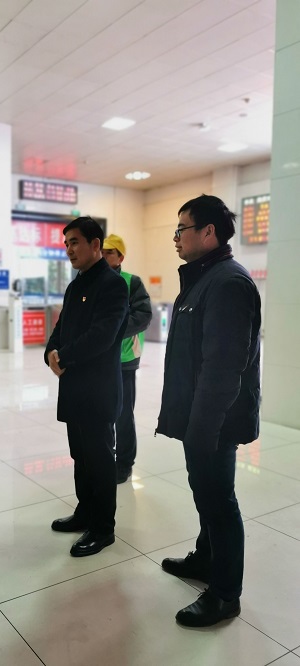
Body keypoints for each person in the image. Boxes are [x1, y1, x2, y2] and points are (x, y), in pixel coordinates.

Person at [156, 194, 261, 628]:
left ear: (208, 232)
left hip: (214, 421)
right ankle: (205, 558)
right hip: (198, 417)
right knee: (205, 493)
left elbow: (223, 367)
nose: (176, 237)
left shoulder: (228, 283)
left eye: (181, 229)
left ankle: (225, 594)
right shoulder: (203, 279)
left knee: (219, 501)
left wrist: (203, 429)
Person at [45, 216, 128, 557]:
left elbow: (102, 336)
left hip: (97, 390)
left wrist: (63, 356)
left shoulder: (112, 285)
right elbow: (61, 327)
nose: (69, 249)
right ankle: (85, 511)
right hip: (74, 387)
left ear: (95, 245)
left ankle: (103, 527)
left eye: (75, 242)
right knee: (80, 454)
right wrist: (51, 351)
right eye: (66, 244)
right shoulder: (75, 285)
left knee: (100, 458)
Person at [101, 234, 152, 483]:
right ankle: (105, 458)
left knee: (123, 415)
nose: (103, 256)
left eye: (109, 252)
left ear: (120, 257)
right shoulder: (92, 281)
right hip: (99, 361)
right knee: (102, 413)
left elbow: (143, 316)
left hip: (124, 360)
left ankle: (124, 464)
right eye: (102, 252)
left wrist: (112, 330)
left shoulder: (132, 282)